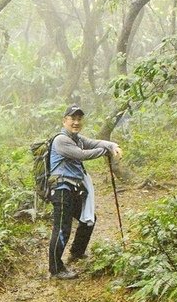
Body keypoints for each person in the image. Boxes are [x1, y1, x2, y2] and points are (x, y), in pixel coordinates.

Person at [48, 105, 123, 280]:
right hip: (61, 189)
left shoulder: (77, 138)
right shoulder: (61, 140)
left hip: (73, 188)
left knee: (88, 219)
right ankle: (56, 269)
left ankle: (76, 252)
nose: (76, 122)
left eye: (79, 119)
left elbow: (96, 142)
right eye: (72, 119)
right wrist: (106, 151)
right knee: (61, 228)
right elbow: (82, 155)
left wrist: (112, 145)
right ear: (64, 121)